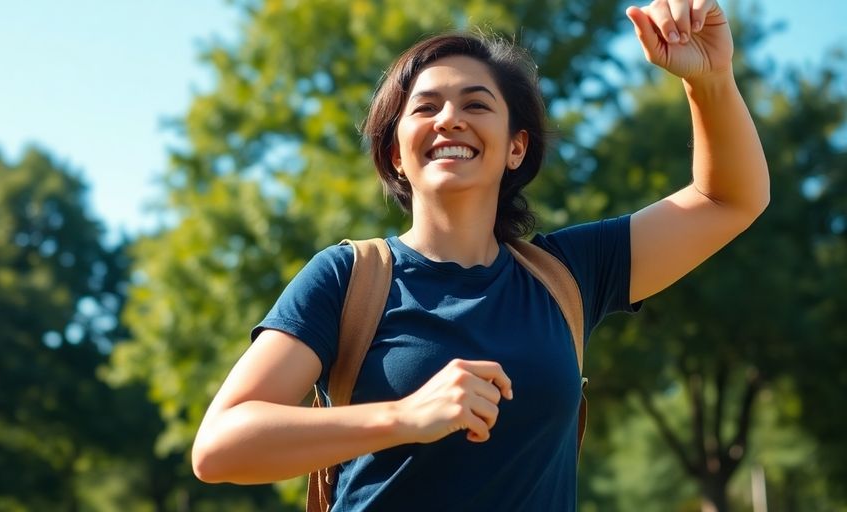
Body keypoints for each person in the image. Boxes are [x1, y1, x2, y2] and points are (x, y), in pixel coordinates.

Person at [191, 0, 769, 509]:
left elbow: (728, 199)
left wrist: (710, 81)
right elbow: (220, 447)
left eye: (476, 103)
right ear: (396, 153)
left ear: (516, 147)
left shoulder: (570, 274)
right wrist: (406, 417)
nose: (449, 118)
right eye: (425, 107)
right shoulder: (347, 277)